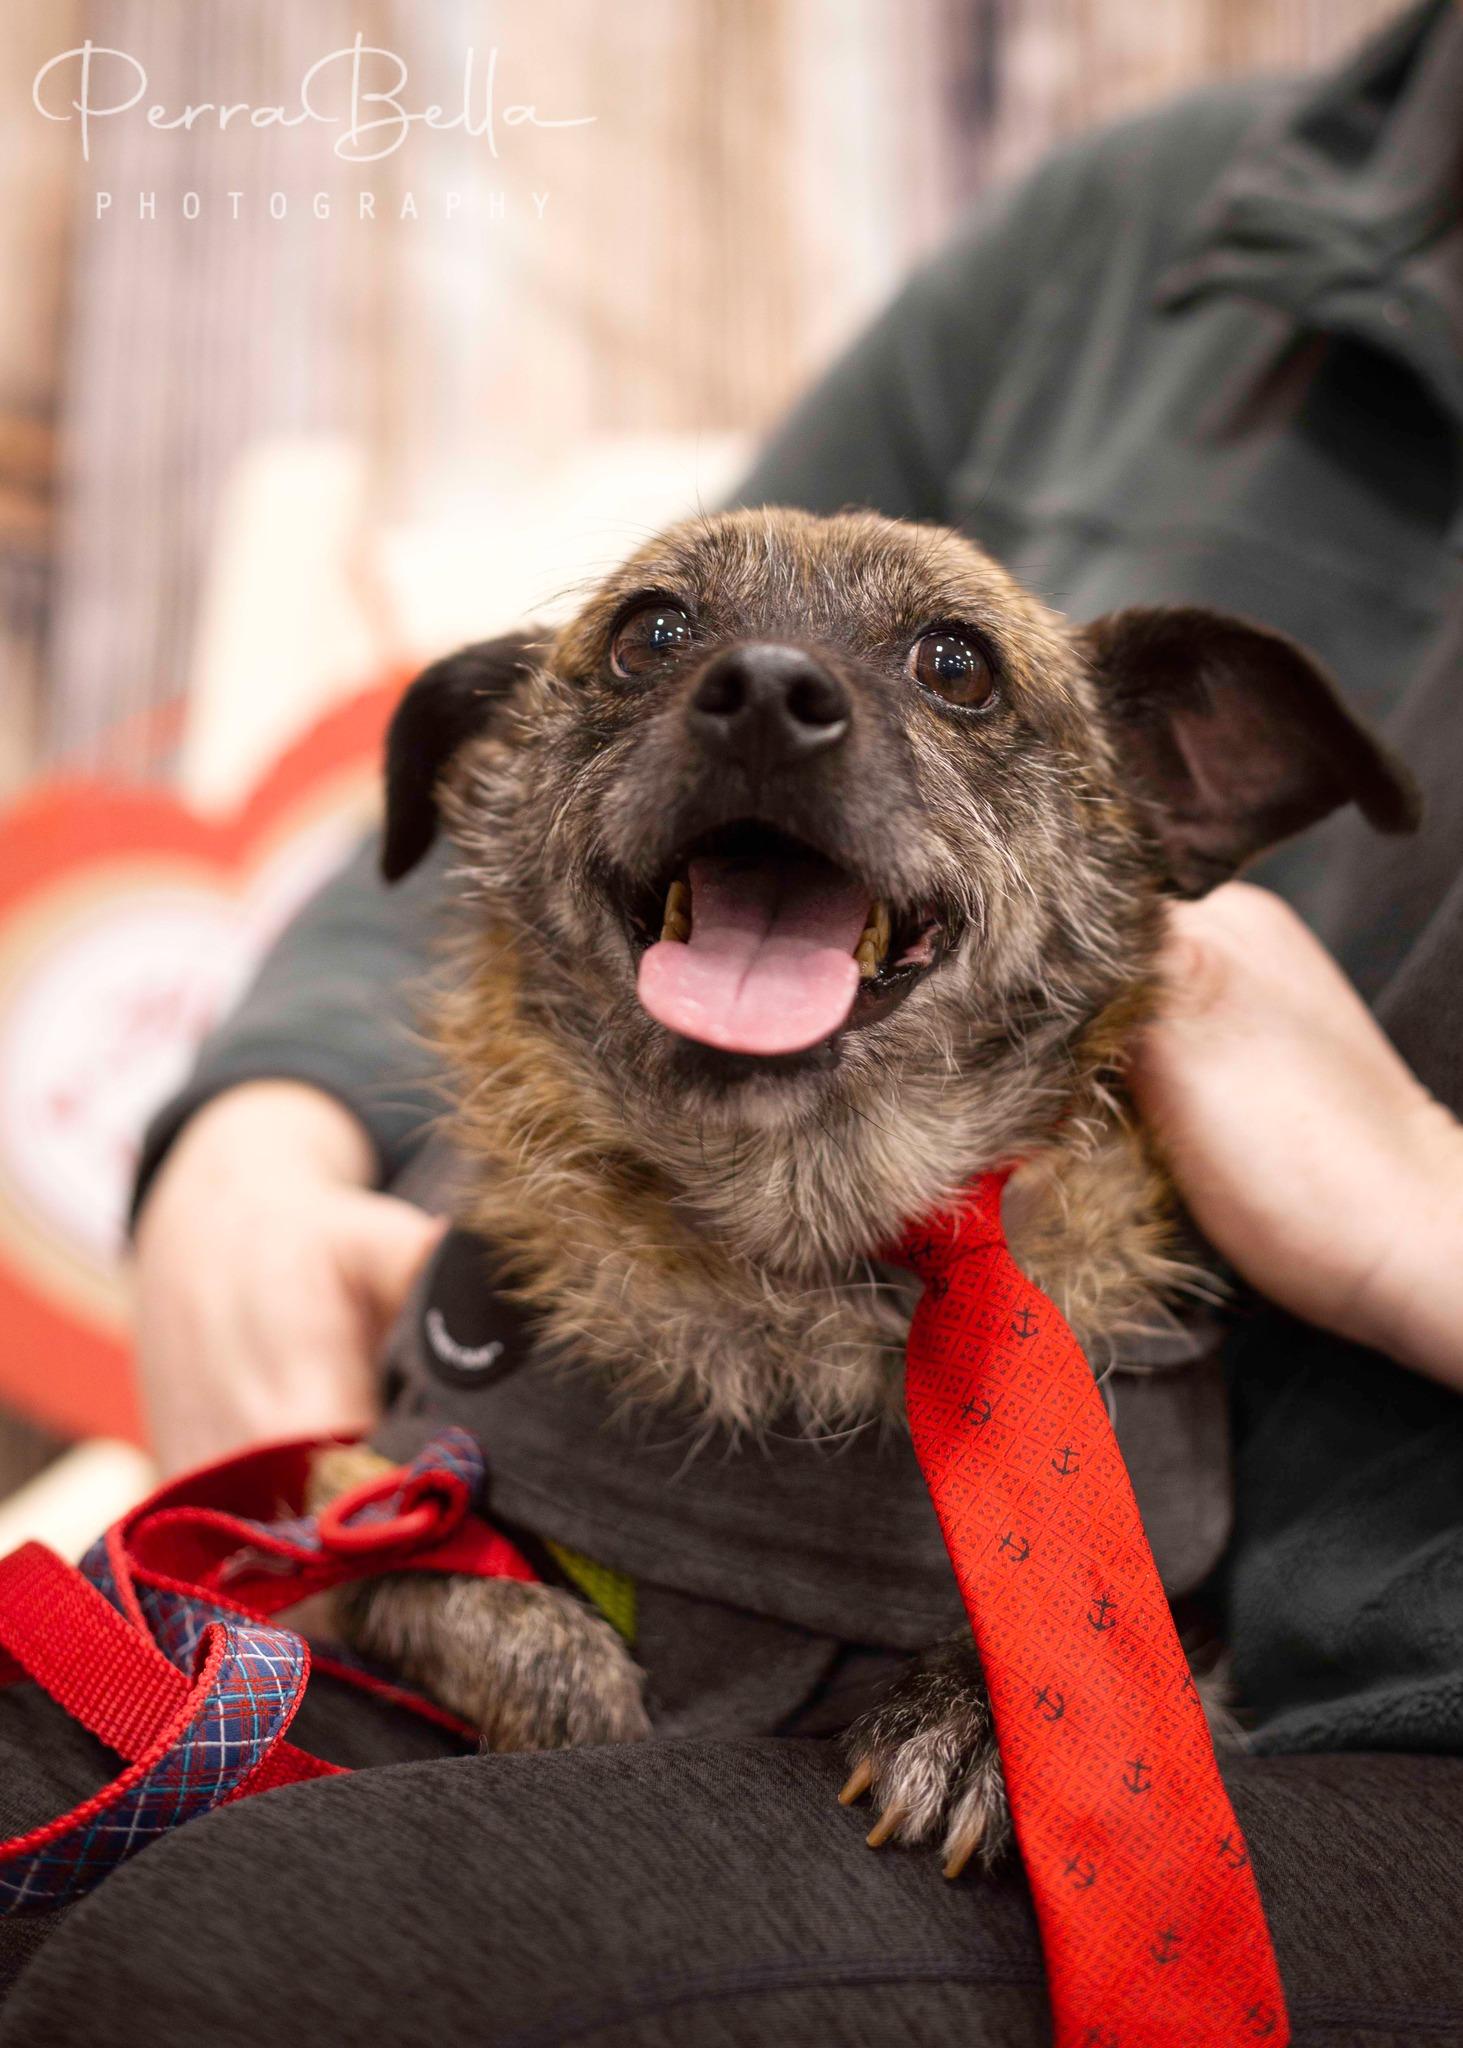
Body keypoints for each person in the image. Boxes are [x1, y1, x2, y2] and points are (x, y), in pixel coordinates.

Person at [3, 5, 1458, 2041]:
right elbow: (506, 787)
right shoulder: (1150, 220)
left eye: (948, 674)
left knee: (249, 1973)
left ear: (1178, 801)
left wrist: (1421, 1215)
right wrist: (259, 1120)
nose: (774, 687)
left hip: (1373, 1724)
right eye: (678, 647)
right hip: (589, 1389)